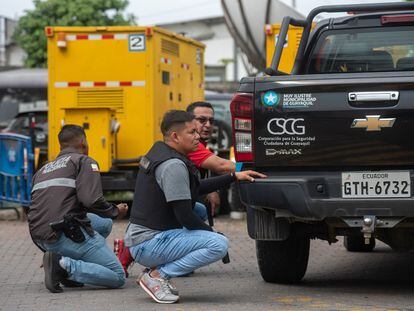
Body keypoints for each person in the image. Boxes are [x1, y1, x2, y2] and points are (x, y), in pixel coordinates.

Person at [125, 110, 265, 303]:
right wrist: (213, 233)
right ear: (175, 136)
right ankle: (157, 276)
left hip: (142, 236)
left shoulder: (162, 151)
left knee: (199, 209)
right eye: (192, 132)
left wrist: (233, 176)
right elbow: (184, 216)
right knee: (218, 244)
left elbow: (195, 188)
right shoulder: (173, 165)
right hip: (146, 244)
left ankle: (155, 270)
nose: (198, 136)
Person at [28, 124, 129, 293]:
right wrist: (116, 211)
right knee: (117, 275)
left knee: (104, 223)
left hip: (41, 236)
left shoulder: (43, 169)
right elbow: (92, 200)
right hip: (65, 233)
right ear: (83, 142)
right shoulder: (84, 161)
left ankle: (65, 260)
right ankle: (64, 266)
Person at [186, 101, 236, 216]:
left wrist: (210, 190)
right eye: (202, 120)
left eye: (211, 121)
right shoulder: (191, 144)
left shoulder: (200, 143)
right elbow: (222, 166)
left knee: (202, 212)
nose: (208, 125)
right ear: (188, 122)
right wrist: (246, 167)